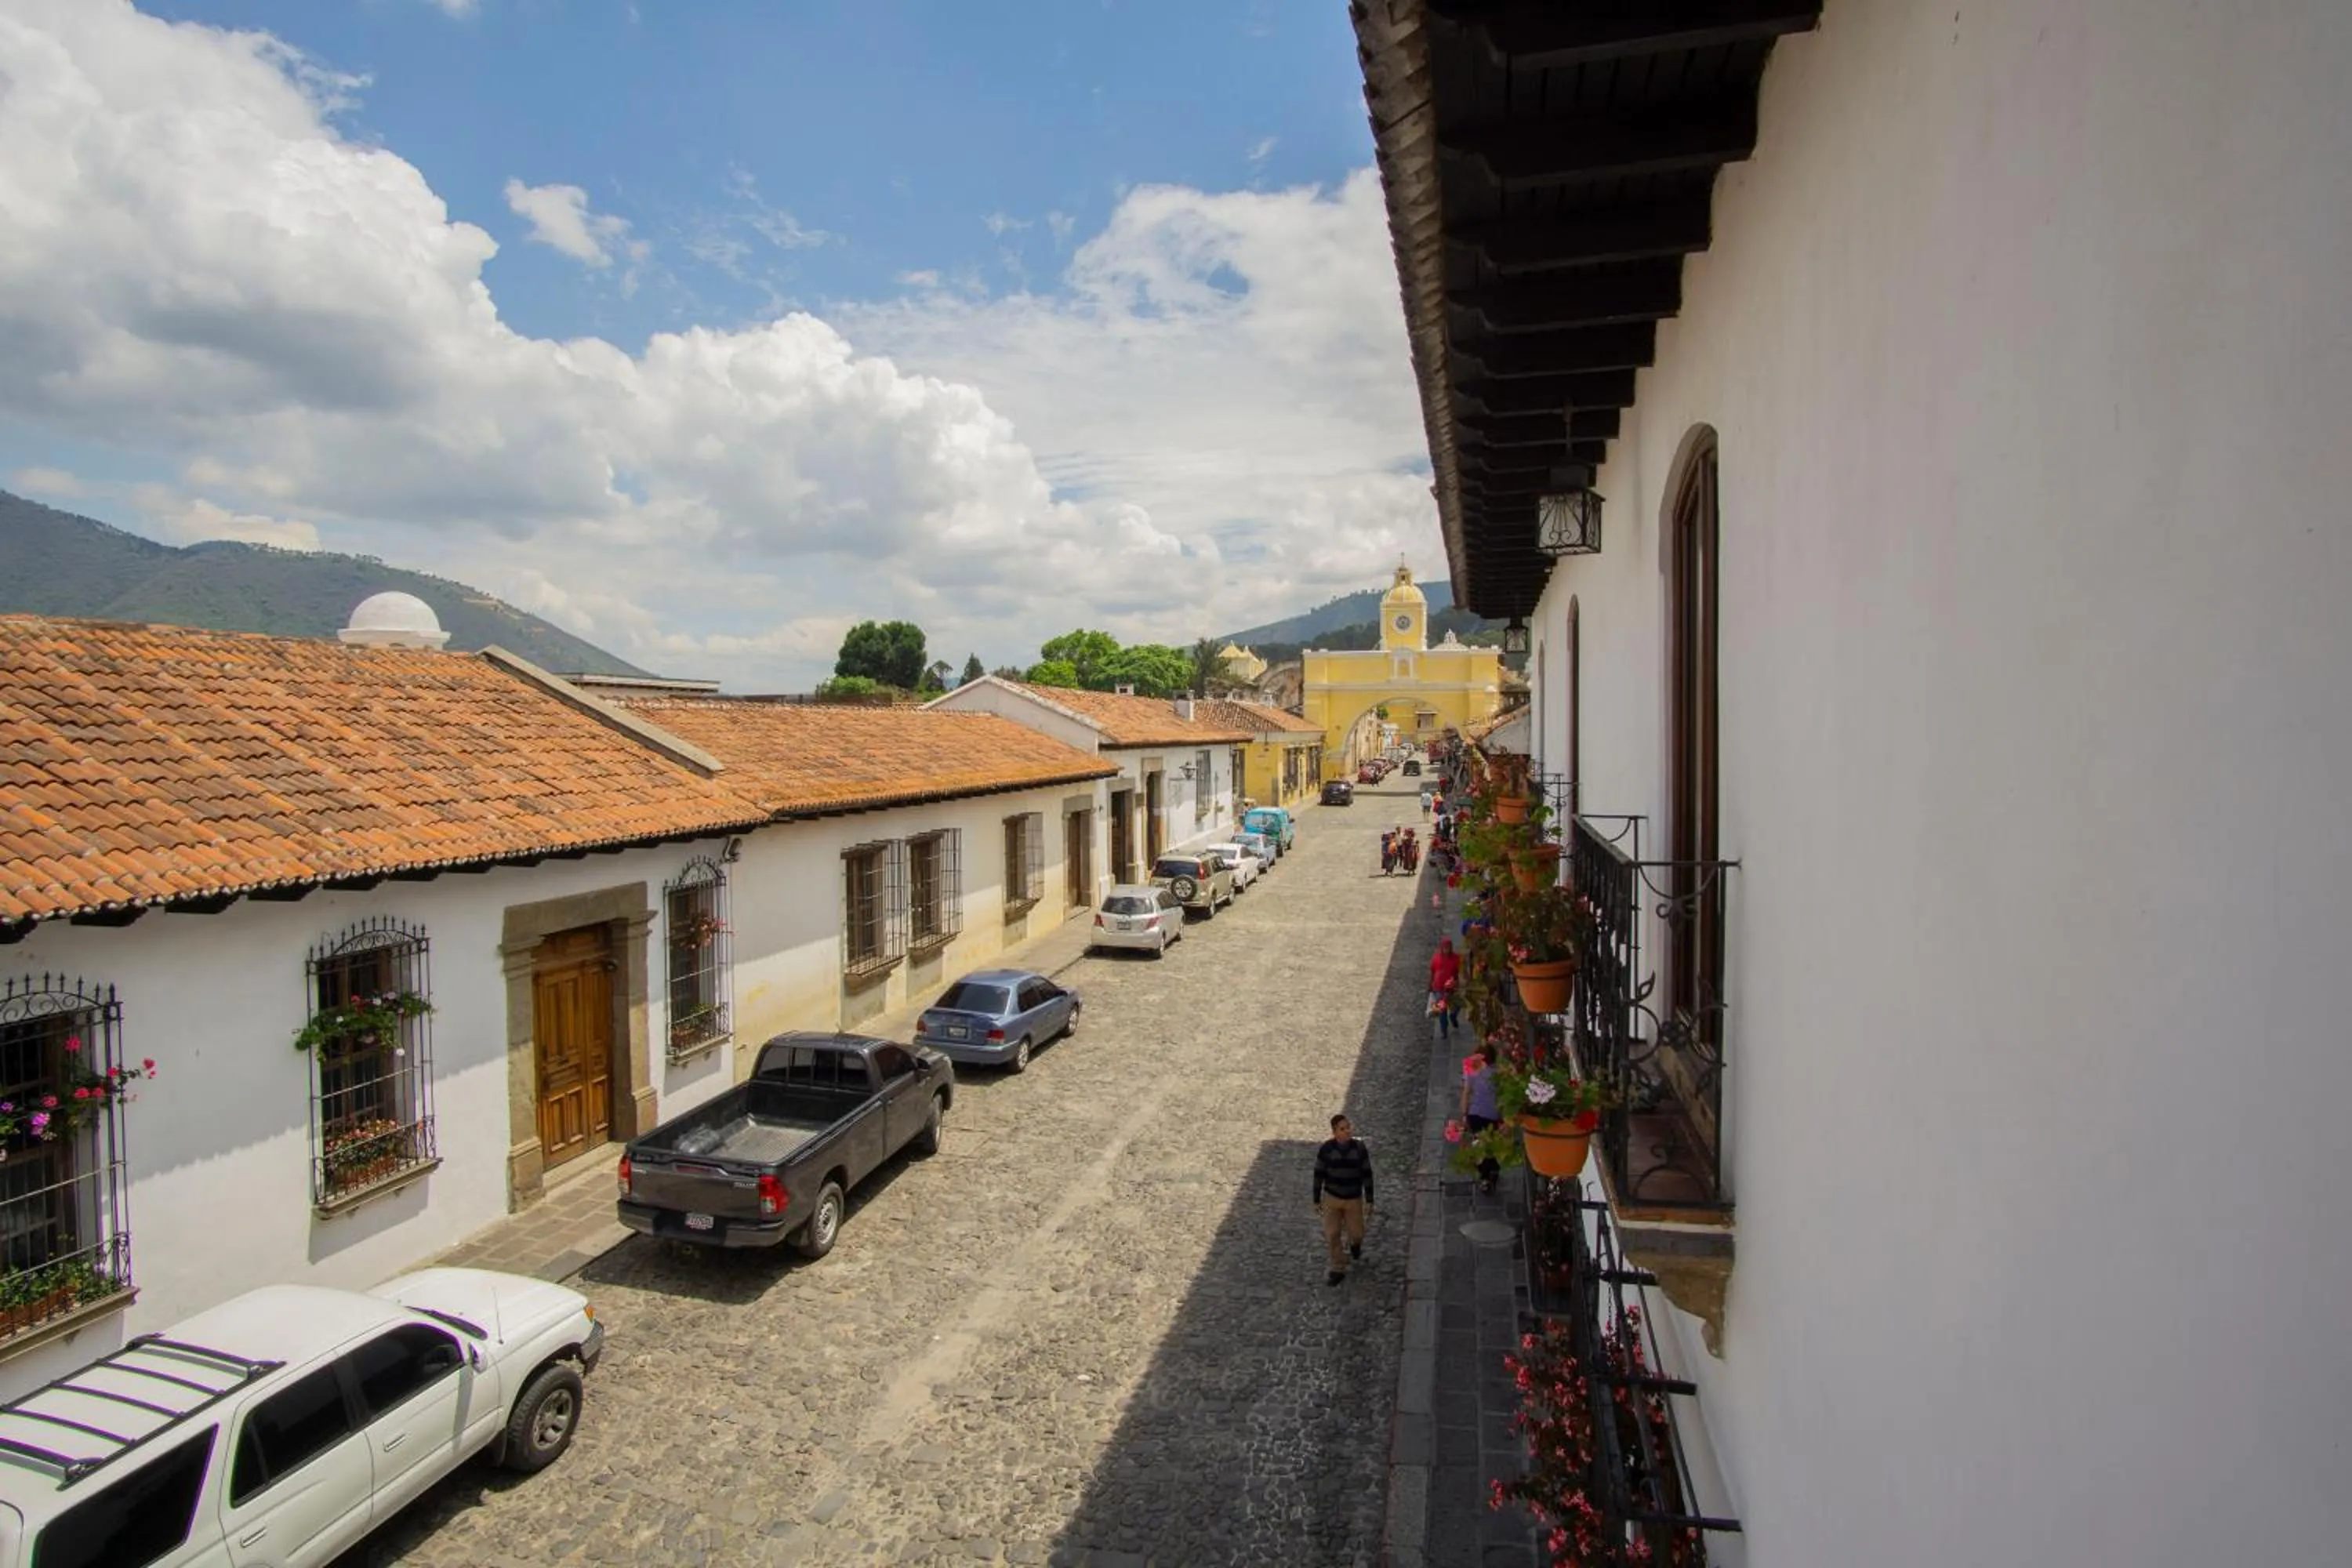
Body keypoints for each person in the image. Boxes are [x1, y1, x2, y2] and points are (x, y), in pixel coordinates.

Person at [1312, 1112, 1375, 1285]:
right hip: (1332, 1198)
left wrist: (1369, 1200)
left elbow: (1367, 1174)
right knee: (1332, 1234)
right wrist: (1316, 1199)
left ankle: (1355, 1246)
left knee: (1357, 1233)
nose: (1347, 1131)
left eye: (1348, 1127)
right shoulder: (1326, 1149)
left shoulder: (1359, 1149)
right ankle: (1338, 1267)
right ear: (1335, 1132)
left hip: (1353, 1199)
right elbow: (1319, 1174)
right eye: (1343, 1129)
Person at [1459, 1051, 1502, 1193]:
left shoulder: (1472, 1071)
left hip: (1475, 1113)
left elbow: (1466, 1092)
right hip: (1492, 1114)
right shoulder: (1498, 1072)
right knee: (1492, 1143)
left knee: (1479, 1146)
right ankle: (1493, 1169)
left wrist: (1464, 1115)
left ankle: (1485, 1177)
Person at [1428, 937, 1461, 1039]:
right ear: (1441, 948)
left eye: (1448, 947)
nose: (1446, 950)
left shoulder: (1456, 959)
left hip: (1452, 988)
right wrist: (1430, 985)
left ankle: (1453, 1016)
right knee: (1442, 1011)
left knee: (1458, 1005)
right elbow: (1432, 972)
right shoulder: (1436, 958)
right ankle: (1444, 1031)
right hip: (1439, 988)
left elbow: (1459, 972)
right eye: (1445, 948)